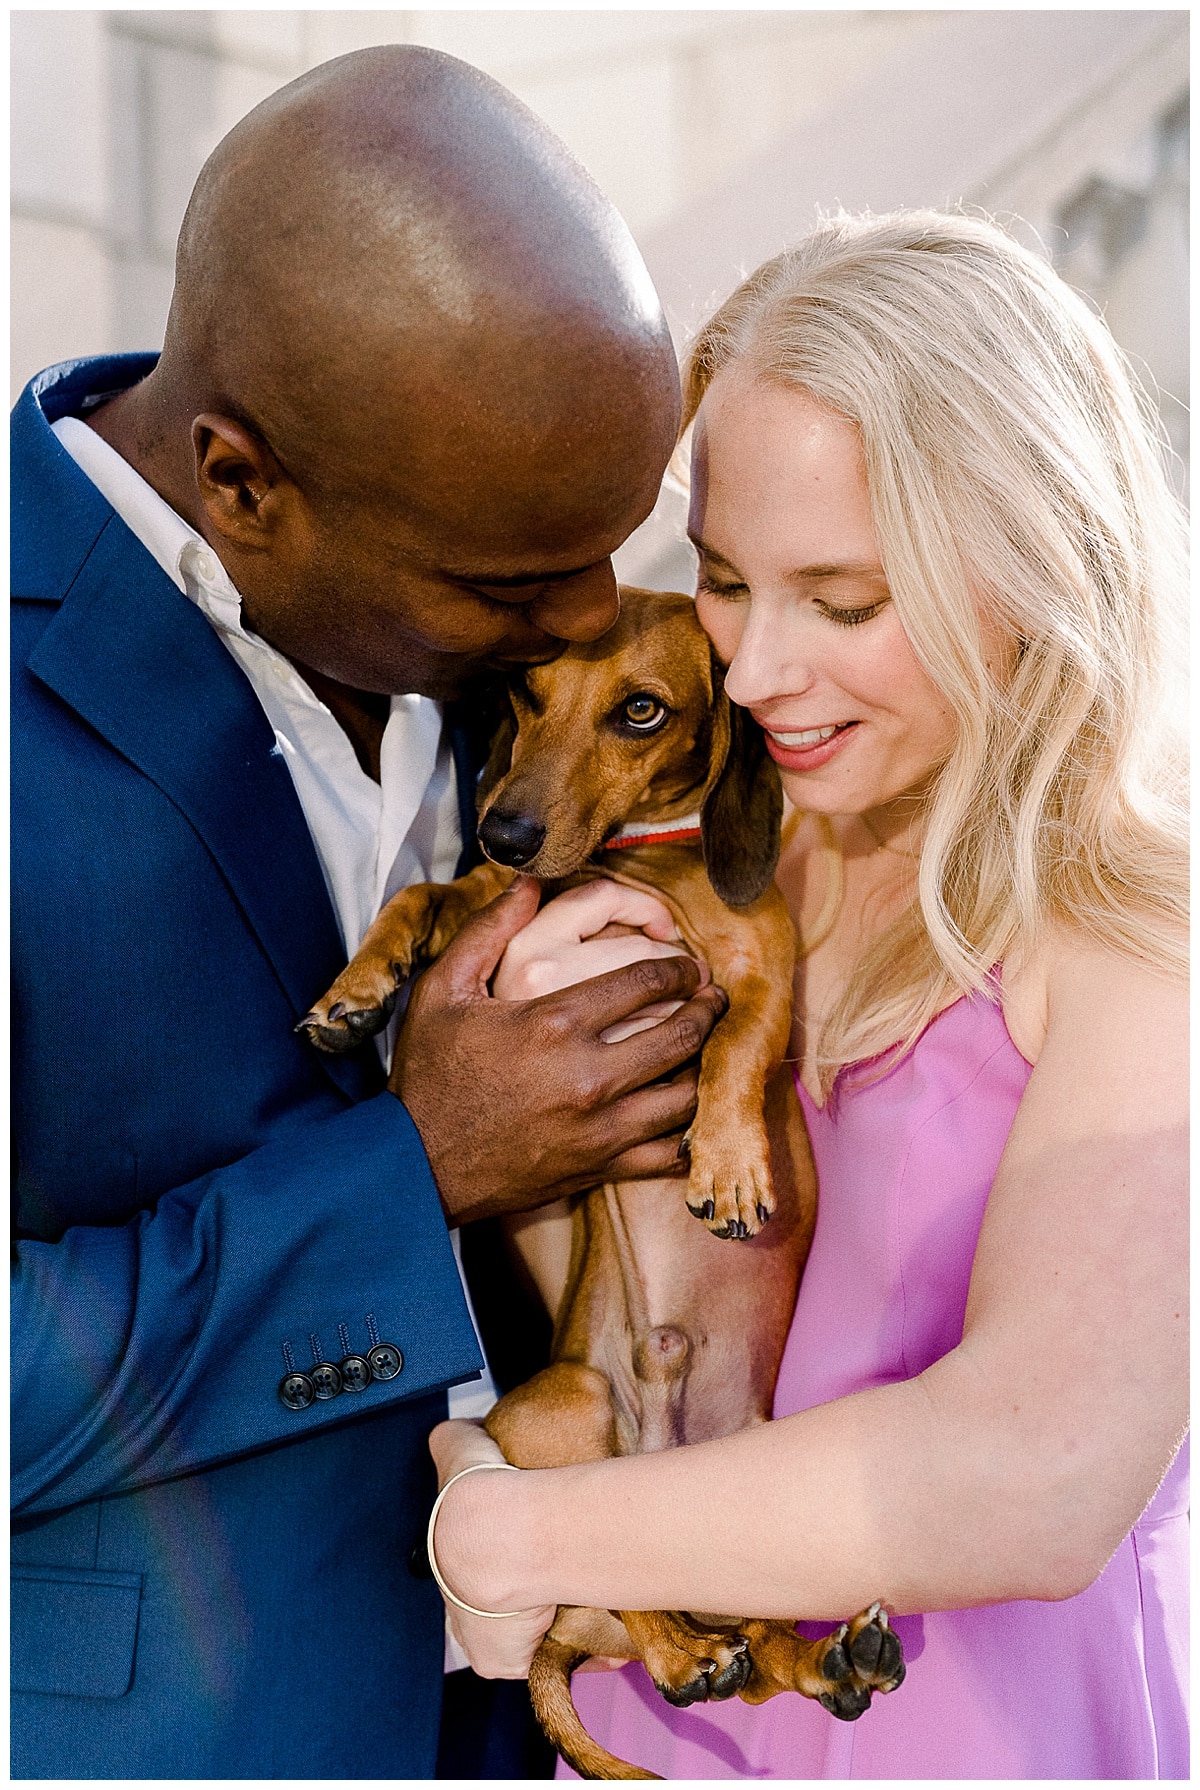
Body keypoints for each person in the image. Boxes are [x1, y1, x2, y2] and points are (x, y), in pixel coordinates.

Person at [10, 46, 727, 1780]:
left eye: (614, 544)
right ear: (245, 482)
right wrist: (411, 1172)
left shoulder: (504, 623)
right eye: (507, 582)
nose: (584, 622)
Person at [423, 210, 1189, 1779]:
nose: (758, 668)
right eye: (720, 582)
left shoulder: (1135, 935)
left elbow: (1034, 1468)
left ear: (1036, 569)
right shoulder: (711, 855)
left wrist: (516, 1530)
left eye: (842, 603)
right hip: (654, 1731)